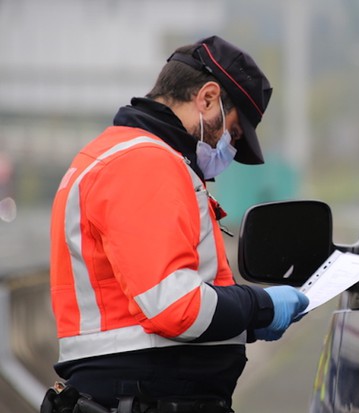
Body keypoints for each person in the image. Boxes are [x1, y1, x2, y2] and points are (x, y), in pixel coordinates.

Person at [45, 36, 308, 413]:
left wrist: (246, 323)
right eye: (231, 132)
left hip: (134, 392)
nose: (228, 149)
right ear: (207, 98)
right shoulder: (144, 163)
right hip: (143, 395)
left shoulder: (125, 156)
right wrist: (261, 306)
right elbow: (175, 305)